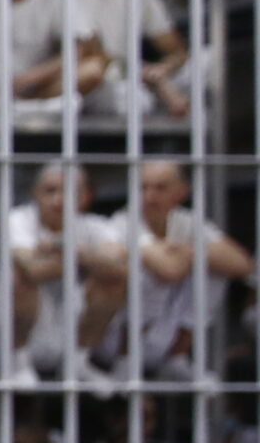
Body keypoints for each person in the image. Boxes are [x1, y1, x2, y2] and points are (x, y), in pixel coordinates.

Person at [108, 160, 254, 381]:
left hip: (164, 333)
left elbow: (242, 264)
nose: (149, 195)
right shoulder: (123, 221)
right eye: (142, 187)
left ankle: (176, 357)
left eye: (160, 187)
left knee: (215, 271)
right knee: (149, 274)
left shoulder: (187, 221)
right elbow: (169, 271)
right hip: (113, 339)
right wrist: (193, 252)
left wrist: (186, 250)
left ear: (182, 192)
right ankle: (126, 360)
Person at [4, 164, 127, 385]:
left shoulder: (95, 225)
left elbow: (119, 267)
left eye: (69, 192)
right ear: (35, 193)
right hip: (24, 329)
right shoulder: (18, 219)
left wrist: (59, 248)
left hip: (72, 324)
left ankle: (78, 363)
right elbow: (32, 270)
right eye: (50, 191)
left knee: (114, 282)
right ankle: (18, 363)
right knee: (19, 278)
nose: (58, 200)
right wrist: (85, 257)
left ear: (86, 196)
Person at [86, 0, 192, 119]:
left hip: (133, 75)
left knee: (205, 67)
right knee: (131, 101)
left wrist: (162, 70)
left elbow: (176, 51)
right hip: (95, 81)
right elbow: (91, 53)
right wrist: (142, 72)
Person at [2, 0, 109, 109]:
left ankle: (26, 105)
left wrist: (27, 80)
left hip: (35, 84)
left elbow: (79, 51)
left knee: (92, 69)